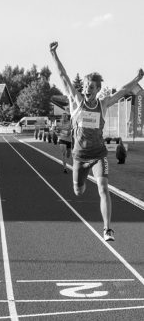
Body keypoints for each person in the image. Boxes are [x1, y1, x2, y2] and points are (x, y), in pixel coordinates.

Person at [49, 41, 143, 242]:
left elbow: (124, 91)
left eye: (91, 87)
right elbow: (63, 76)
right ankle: (80, 182)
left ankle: (108, 229)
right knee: (78, 191)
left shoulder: (103, 103)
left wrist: (137, 78)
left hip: (99, 154)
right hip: (80, 157)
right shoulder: (76, 100)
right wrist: (54, 54)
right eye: (85, 86)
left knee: (103, 188)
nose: (86, 89)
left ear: (98, 89)